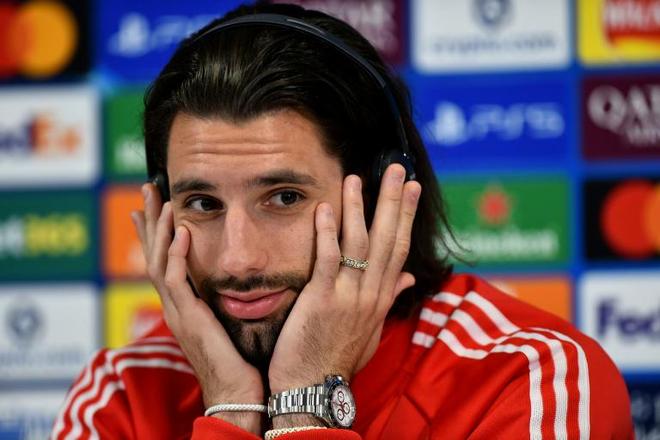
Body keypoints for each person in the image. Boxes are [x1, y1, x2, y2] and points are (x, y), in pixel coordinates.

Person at [51, 3, 634, 439]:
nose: (237, 260)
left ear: (384, 198)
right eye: (203, 204)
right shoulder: (122, 396)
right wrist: (229, 406)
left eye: (283, 197)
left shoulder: (529, 379)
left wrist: (306, 405)